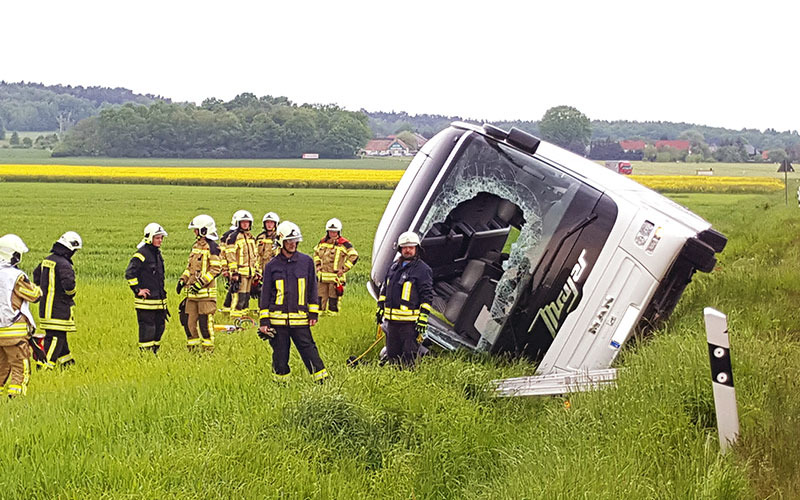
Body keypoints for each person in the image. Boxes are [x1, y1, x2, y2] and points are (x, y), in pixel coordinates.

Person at [258, 221, 328, 383]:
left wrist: (313, 313)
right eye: (289, 241)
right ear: (281, 242)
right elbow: (266, 294)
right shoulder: (271, 266)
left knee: (310, 351)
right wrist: (264, 320)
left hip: (300, 319)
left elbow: (312, 289)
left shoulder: (306, 262)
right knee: (280, 356)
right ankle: (281, 386)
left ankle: (322, 382)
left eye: (295, 240)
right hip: (278, 321)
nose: (292, 244)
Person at [376, 231, 433, 367]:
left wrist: (423, 317)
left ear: (416, 249)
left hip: (409, 324)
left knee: (409, 356)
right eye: (405, 247)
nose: (408, 250)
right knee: (392, 355)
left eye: (411, 247)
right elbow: (385, 289)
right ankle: (394, 380)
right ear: (400, 249)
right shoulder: (393, 267)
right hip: (391, 322)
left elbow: (427, 295)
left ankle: (408, 381)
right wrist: (380, 308)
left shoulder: (422, 270)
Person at [32, 231, 82, 368]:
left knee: (60, 338)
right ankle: (44, 366)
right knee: (55, 337)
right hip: (58, 309)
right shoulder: (64, 264)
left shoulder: (47, 260)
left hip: (45, 308)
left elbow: (36, 275)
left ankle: (67, 364)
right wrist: (71, 295)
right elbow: (69, 286)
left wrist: (42, 288)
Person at [0, 234, 42, 398]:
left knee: (1, 366)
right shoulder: (15, 277)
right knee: (20, 366)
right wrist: (38, 289)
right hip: (14, 332)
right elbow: (33, 295)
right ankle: (16, 398)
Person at [177, 215, 222, 352]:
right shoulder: (195, 246)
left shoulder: (213, 248)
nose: (194, 232)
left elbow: (216, 269)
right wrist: (182, 280)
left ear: (204, 230)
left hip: (205, 295)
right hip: (192, 295)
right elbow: (189, 268)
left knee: (205, 325)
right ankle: (193, 351)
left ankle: (208, 351)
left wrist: (200, 283)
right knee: (188, 323)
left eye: (196, 230)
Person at [125, 223, 168, 354]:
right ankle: (145, 356)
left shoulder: (157, 254)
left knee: (160, 327)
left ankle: (154, 353)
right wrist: (138, 290)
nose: (160, 241)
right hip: (146, 303)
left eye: (161, 238)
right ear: (149, 238)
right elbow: (130, 273)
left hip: (159, 301)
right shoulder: (141, 254)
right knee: (148, 329)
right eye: (157, 238)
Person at [313, 218, 358, 316]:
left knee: (333, 302)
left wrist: (344, 269)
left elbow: (354, 256)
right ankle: (320, 319)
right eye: (331, 231)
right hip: (322, 278)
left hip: (336, 279)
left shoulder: (344, 243)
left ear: (339, 231)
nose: (333, 233)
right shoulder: (322, 242)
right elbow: (316, 253)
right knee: (320, 300)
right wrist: (317, 265)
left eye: (335, 231)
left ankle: (333, 319)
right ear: (327, 231)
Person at [224, 210, 258, 320]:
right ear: (238, 223)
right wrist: (233, 272)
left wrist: (256, 271)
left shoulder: (251, 238)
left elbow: (254, 256)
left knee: (246, 297)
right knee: (238, 298)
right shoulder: (233, 237)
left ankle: (243, 319)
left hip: (250, 273)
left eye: (247, 222)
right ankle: (235, 320)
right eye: (242, 222)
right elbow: (230, 255)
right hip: (239, 274)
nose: (245, 224)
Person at [218, 215, 238, 314]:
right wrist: (225, 269)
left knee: (233, 289)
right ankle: (232, 312)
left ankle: (227, 309)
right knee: (235, 290)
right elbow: (222, 254)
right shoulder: (227, 237)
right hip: (232, 268)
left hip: (239, 268)